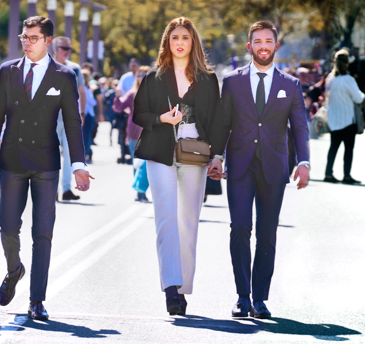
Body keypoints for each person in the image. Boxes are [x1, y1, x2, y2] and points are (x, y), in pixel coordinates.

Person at [0, 16, 93, 321]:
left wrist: (78, 164)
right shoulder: (8, 71)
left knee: (43, 233)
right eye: (24, 37)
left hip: (47, 163)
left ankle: (37, 300)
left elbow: (73, 124)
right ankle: (14, 269)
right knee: (8, 227)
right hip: (11, 161)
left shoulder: (64, 76)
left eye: (33, 37)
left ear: (47, 40)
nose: (26, 42)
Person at [209, 21, 310, 319]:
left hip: (274, 168)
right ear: (249, 45)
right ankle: (243, 296)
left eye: (268, 41)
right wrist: (216, 155)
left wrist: (303, 161)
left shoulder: (290, 84)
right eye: (258, 41)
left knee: (267, 234)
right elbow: (222, 123)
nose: (263, 45)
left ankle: (261, 299)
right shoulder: (231, 81)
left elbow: (300, 126)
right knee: (240, 227)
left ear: (276, 46)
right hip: (240, 165)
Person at [133, 17, 219, 315]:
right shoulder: (153, 77)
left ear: (192, 41)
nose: (179, 42)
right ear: (167, 42)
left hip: (195, 153)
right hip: (160, 153)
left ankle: (183, 287)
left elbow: (218, 121)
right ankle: (171, 288)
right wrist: (161, 120)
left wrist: (217, 155)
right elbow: (138, 114)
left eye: (185, 37)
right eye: (174, 37)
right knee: (166, 219)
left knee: (188, 222)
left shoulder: (208, 78)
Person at [52, 36, 86, 201]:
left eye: (68, 49)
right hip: (50, 119)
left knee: (69, 155)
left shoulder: (75, 69)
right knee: (51, 154)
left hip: (68, 119)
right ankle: (52, 189)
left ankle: (66, 189)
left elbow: (81, 91)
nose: (66, 52)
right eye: (63, 48)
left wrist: (82, 113)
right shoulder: (47, 66)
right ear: (55, 49)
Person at [323, 49, 365, 184]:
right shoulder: (348, 79)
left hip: (334, 118)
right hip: (347, 119)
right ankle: (347, 176)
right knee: (348, 149)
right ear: (347, 63)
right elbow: (358, 98)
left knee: (333, 147)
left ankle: (328, 173)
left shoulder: (330, 78)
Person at [113, 65, 151, 202]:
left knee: (148, 165)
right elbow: (118, 107)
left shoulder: (157, 94)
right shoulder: (131, 94)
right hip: (134, 134)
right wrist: (117, 95)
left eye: (144, 75)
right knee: (138, 164)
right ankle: (140, 193)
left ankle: (144, 191)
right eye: (139, 75)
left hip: (151, 135)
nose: (141, 78)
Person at [81, 69, 97, 164]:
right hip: (87, 115)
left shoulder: (81, 89)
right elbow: (93, 102)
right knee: (86, 136)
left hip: (84, 114)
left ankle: (86, 154)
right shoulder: (86, 90)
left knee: (84, 136)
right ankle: (86, 154)